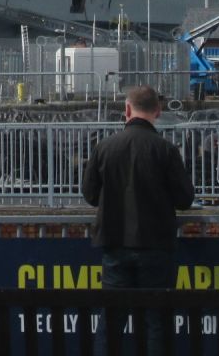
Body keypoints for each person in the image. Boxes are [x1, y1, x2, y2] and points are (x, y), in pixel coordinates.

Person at [82, 85, 195, 355]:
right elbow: (184, 199)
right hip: (156, 245)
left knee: (111, 323)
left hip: (115, 242)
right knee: (157, 322)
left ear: (127, 110)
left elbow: (89, 194)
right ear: (158, 111)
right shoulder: (166, 150)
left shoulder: (104, 147)